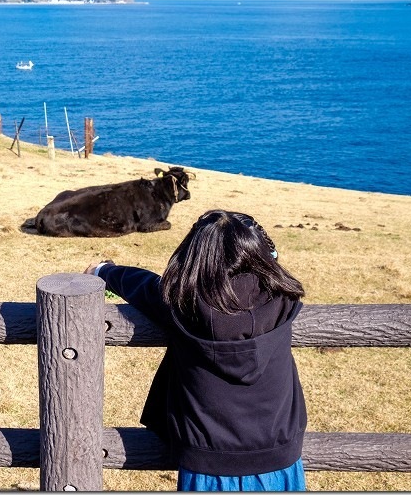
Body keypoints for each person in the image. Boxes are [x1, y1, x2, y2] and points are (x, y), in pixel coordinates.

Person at [85, 209, 307, 491]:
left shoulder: (183, 302)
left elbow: (143, 285)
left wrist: (103, 270)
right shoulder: (282, 297)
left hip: (206, 465)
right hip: (280, 458)